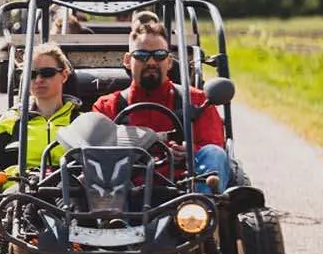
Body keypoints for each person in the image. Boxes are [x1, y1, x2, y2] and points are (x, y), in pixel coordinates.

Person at [91, 11, 233, 195]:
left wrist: (189, 151)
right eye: (141, 55)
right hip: (126, 193)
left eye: (159, 55)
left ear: (169, 61)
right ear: (127, 60)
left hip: (184, 191)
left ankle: (201, 204)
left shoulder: (197, 101)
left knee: (214, 153)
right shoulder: (106, 106)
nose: (151, 62)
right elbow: (95, 155)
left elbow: (214, 147)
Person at [0, 42, 81, 192]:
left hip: (69, 191)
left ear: (64, 75)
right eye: (32, 74)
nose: (38, 80)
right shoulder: (11, 121)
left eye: (47, 73)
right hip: (21, 192)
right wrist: (21, 177)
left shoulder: (80, 122)